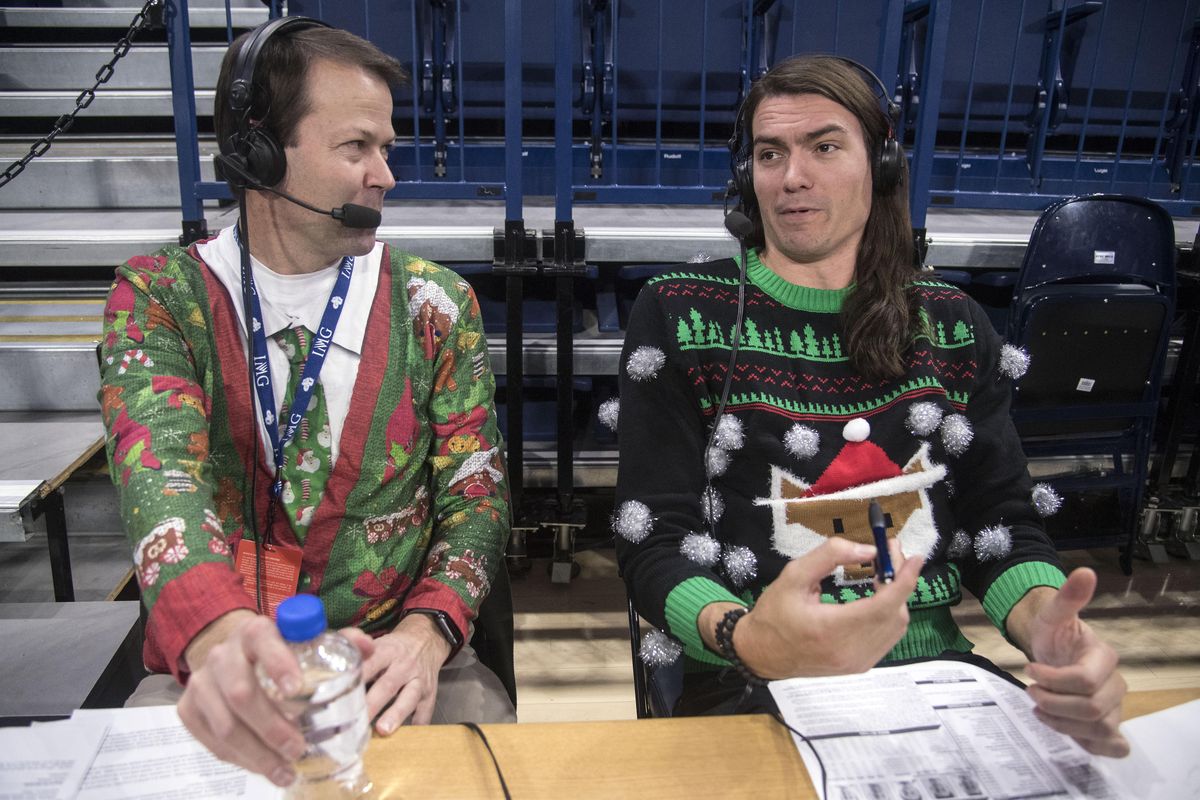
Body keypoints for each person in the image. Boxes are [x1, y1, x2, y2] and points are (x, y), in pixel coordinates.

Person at [614, 54, 1128, 757]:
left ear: (881, 166)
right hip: (750, 677)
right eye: (770, 154)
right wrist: (744, 634)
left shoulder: (952, 321)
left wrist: (1047, 626)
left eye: (824, 147)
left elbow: (1001, 523)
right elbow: (654, 541)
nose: (792, 177)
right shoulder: (678, 311)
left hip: (932, 675)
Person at [98, 18, 514, 788]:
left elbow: (477, 500)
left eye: (385, 149)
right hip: (218, 668)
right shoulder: (157, 298)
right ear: (257, 153)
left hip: (396, 662)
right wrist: (218, 640)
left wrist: (428, 634)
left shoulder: (436, 303)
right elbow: (162, 486)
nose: (385, 175)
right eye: (357, 148)